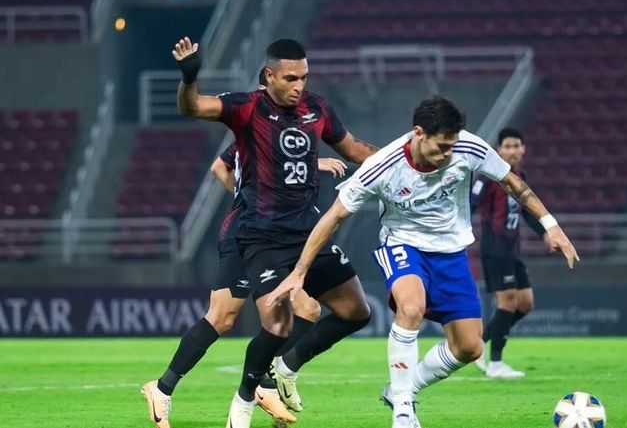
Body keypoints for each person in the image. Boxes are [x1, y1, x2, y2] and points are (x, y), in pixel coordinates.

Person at [266, 95, 579, 428]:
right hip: (402, 244)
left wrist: (551, 225)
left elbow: (511, 182)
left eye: (452, 146)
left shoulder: (468, 148)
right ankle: (403, 410)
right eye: (442, 146)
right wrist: (299, 272)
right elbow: (335, 216)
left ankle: (401, 388)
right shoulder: (383, 165)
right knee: (411, 308)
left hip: (451, 251)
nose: (448, 154)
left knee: (470, 347)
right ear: (418, 133)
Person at [171, 36, 379, 428]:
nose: (299, 85)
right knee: (277, 323)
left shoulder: (317, 108)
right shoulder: (247, 107)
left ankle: (287, 366)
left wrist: (405, 156)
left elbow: (355, 149)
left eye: (304, 77)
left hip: (308, 231)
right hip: (262, 235)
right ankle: (243, 405)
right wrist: (189, 75)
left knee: (356, 311)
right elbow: (192, 106)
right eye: (290, 78)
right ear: (269, 76)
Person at [141, 84, 349, 428]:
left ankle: (264, 383)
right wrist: (248, 200)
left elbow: (231, 168)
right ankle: (163, 389)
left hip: (273, 235)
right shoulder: (255, 127)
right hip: (245, 235)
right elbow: (219, 168)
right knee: (223, 318)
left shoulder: (276, 129)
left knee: (307, 309)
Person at [470, 127, 544, 378]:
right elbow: (470, 203)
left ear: (523, 149)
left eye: (516, 146)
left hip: (513, 252)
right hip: (494, 250)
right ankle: (496, 363)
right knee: (508, 302)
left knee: (525, 304)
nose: (512, 151)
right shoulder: (489, 176)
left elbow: (526, 211)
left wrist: (546, 233)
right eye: (507, 146)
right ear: (499, 150)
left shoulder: (519, 176)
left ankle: (478, 344)